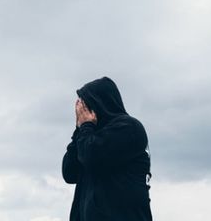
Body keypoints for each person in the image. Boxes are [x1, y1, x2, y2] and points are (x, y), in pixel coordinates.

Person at [62, 76, 153, 221]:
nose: (83, 111)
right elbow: (69, 173)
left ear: (100, 104)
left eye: (86, 105)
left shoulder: (129, 128)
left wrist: (85, 126)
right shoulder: (89, 136)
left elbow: (92, 157)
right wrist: (79, 129)